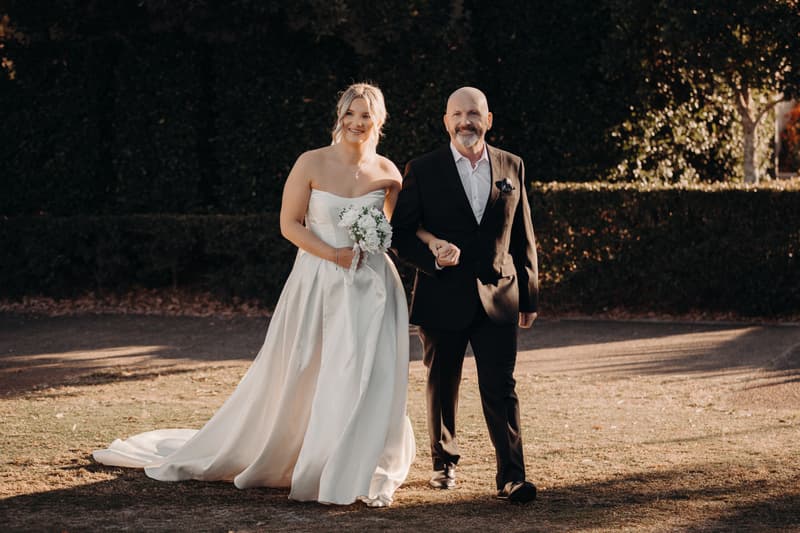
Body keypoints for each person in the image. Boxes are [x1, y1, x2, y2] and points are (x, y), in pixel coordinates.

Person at [93, 83, 415, 508]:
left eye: (366, 116)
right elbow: (290, 224)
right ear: (340, 117)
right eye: (350, 114)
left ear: (379, 121)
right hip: (319, 280)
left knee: (368, 372)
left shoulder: (389, 173)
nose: (357, 123)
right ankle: (304, 454)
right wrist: (334, 254)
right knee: (308, 367)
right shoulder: (311, 162)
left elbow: (396, 231)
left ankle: (354, 457)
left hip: (373, 287)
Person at [391, 86, 539, 503]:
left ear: (488, 120)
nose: (465, 121)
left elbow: (523, 233)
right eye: (457, 114)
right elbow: (401, 233)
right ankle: (444, 461)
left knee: (501, 387)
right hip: (442, 295)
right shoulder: (423, 168)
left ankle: (512, 476)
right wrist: (434, 257)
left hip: (499, 294)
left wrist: (529, 295)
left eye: (473, 113)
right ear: (446, 121)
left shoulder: (512, 165)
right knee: (443, 383)